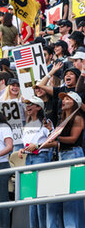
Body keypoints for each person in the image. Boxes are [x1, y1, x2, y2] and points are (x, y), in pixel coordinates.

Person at [46, 92, 85, 228]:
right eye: (63, 99)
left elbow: (73, 139)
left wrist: (55, 138)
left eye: (68, 99)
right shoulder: (62, 119)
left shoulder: (78, 117)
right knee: (63, 197)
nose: (64, 101)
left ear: (75, 103)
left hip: (73, 154)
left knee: (72, 197)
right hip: (63, 155)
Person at [18, 96, 52, 228]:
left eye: (30, 104)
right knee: (31, 197)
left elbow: (52, 139)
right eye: (26, 104)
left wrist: (37, 146)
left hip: (41, 158)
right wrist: (23, 150)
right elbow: (27, 143)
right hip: (29, 159)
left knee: (40, 197)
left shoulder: (45, 121)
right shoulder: (27, 124)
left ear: (39, 107)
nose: (27, 106)